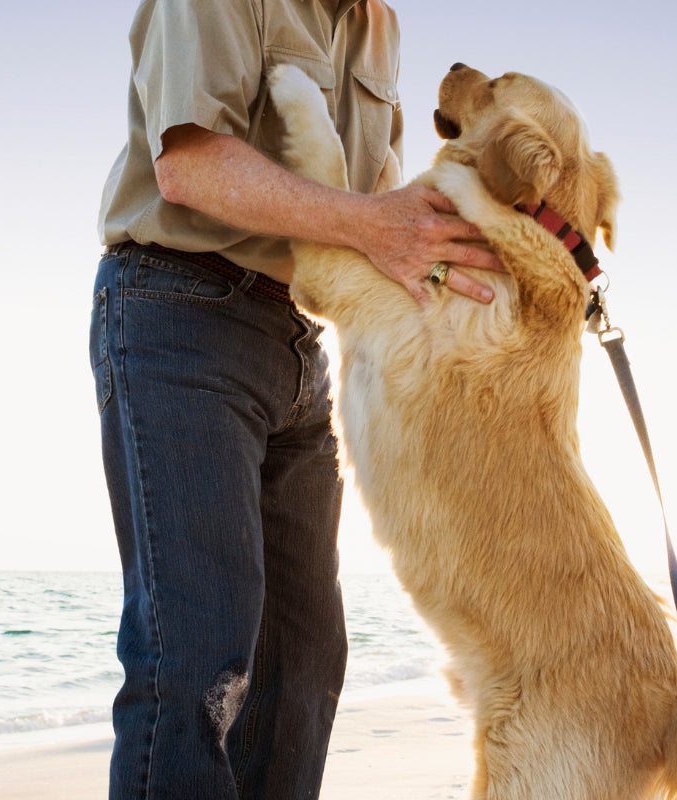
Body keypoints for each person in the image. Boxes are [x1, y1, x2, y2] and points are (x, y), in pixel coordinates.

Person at [89, 1, 502, 798]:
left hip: (304, 341)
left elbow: (379, 209)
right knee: (197, 660)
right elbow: (191, 168)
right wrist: (374, 224)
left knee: (303, 667)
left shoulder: (378, 26)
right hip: (179, 313)